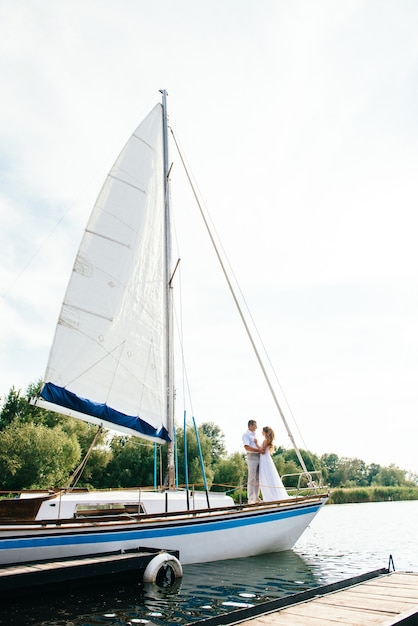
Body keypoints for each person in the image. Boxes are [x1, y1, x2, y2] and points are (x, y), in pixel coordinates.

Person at [258, 426, 289, 502]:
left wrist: (256, 444)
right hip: (266, 460)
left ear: (265, 432)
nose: (261, 432)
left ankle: (270, 496)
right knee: (269, 476)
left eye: (262, 431)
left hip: (264, 460)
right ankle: (273, 494)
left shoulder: (266, 441)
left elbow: (262, 451)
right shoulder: (268, 440)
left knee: (265, 477)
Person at [242, 419, 260, 504]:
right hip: (252, 456)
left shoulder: (255, 435)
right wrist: (258, 450)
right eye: (255, 425)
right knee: (252, 477)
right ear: (251, 425)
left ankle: (256, 497)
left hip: (258, 456)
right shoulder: (246, 435)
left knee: (257, 478)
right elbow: (247, 447)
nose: (256, 427)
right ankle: (251, 498)